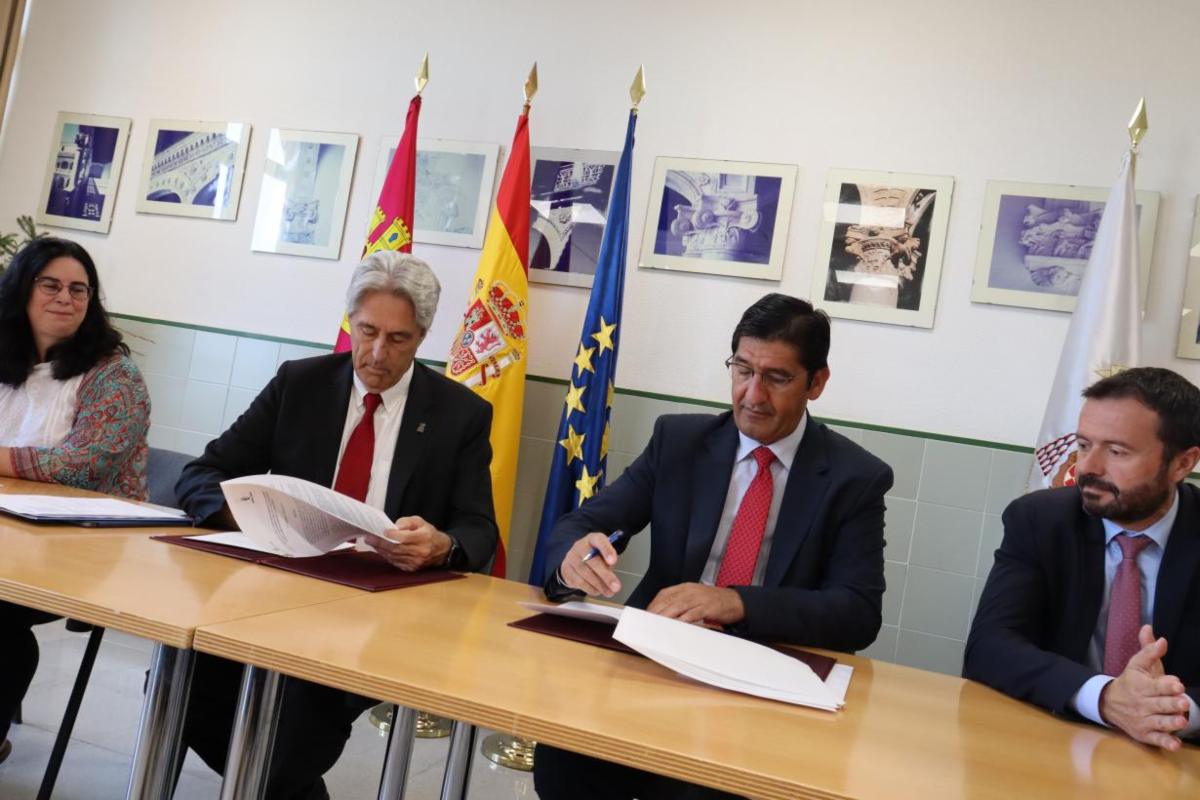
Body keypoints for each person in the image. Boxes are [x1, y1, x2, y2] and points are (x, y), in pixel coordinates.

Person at [535, 293, 894, 800]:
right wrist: (574, 553)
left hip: (769, 680)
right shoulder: (679, 441)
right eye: (742, 369)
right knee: (563, 756)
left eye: (777, 378)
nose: (753, 394)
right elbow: (582, 524)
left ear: (817, 382)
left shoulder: (855, 478)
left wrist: (737, 601)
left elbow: (858, 612)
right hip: (659, 662)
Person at [173, 250, 497, 799]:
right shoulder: (298, 384)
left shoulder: (459, 413)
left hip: (378, 612)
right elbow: (202, 473)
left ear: (422, 337)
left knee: (294, 735)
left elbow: (479, 529)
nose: (376, 353)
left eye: (398, 340)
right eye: (367, 331)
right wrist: (246, 512)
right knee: (186, 689)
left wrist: (442, 544)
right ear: (350, 321)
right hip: (273, 594)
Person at [964, 367, 1200, 752]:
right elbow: (989, 646)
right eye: (1084, 445)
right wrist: (1106, 698)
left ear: (1182, 463)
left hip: (1176, 757)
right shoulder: (1040, 519)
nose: (1089, 467)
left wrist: (1171, 709)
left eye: (1117, 451)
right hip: (1050, 742)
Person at [0, 237, 150, 764]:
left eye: (79, 289)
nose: (65, 298)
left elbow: (84, 466)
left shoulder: (114, 376)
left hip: (80, 551)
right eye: (51, 285)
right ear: (22, 290)